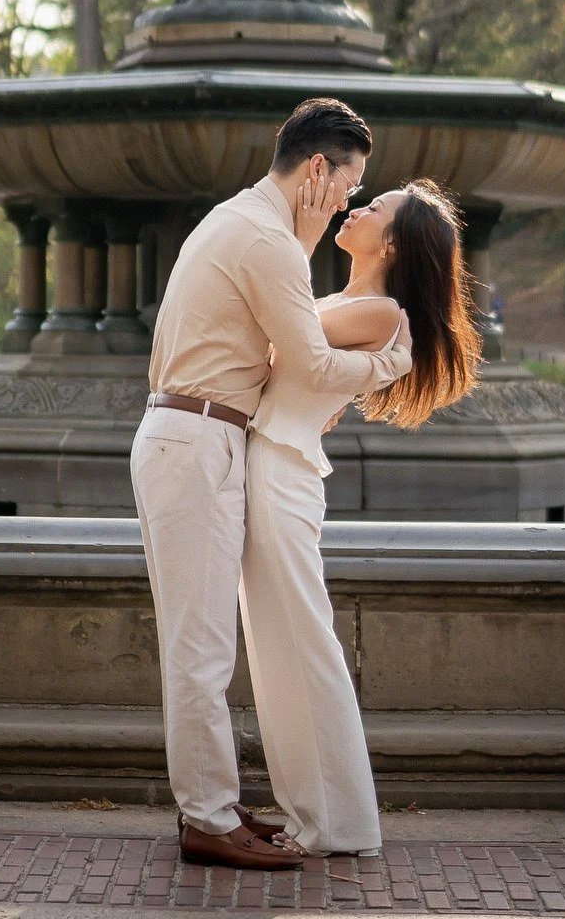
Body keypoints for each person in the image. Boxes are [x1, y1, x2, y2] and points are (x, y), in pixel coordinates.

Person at [130, 98, 412, 871]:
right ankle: (207, 819)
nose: (349, 198)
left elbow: (288, 338)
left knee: (207, 643)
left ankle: (214, 806)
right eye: (349, 183)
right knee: (202, 647)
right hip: (198, 441)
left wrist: (310, 238)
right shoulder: (268, 242)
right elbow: (315, 365)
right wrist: (387, 365)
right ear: (319, 169)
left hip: (195, 435)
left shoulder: (245, 221)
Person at [241, 178, 480, 856]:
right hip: (271, 471)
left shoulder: (382, 314)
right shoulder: (348, 303)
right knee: (275, 650)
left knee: (303, 645)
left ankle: (337, 824)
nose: (359, 207)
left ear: (395, 241)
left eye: (377, 207)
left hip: (281, 477)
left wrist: (301, 237)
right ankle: (310, 815)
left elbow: (274, 327)